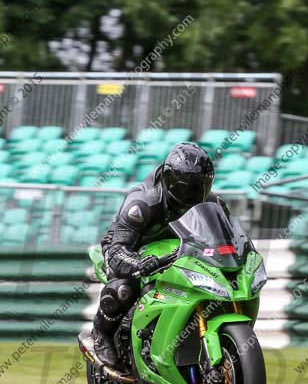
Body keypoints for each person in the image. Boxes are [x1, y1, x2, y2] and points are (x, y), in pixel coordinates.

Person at [91, 142, 216, 369]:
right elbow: (118, 248)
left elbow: (224, 236)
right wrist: (139, 263)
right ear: (171, 180)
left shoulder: (210, 202)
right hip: (130, 246)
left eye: (201, 185)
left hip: (175, 249)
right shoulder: (143, 202)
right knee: (123, 288)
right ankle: (101, 334)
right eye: (189, 187)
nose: (194, 193)